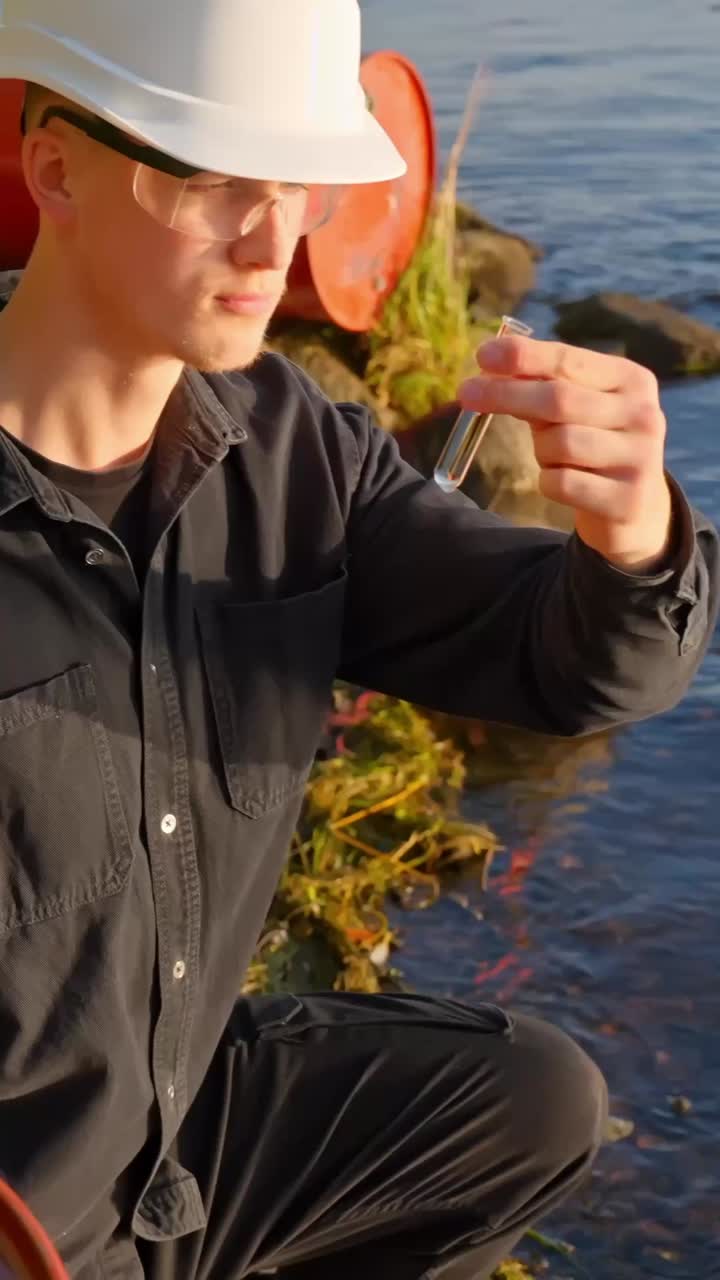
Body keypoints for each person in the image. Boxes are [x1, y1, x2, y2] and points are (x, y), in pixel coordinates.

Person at [0, 1, 717, 1277]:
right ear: (55, 164)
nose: (274, 239)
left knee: (532, 1102)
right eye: (219, 180)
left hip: (182, 1143)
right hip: (25, 1207)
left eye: (304, 186)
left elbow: (578, 668)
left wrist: (633, 533)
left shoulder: (292, 449)